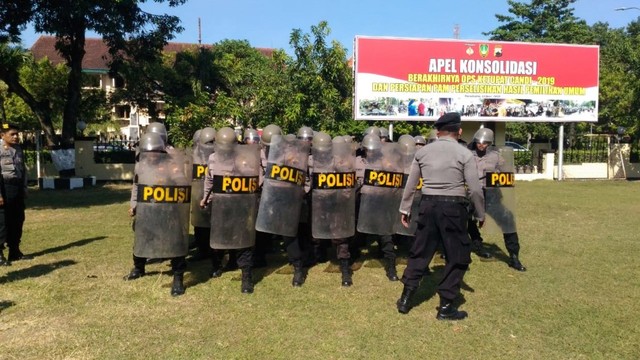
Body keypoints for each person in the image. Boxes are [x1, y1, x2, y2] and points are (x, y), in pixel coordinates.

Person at [396, 112, 485, 320]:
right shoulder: (465, 154)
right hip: (454, 208)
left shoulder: (423, 152)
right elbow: (474, 189)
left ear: (438, 131)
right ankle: (446, 307)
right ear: (459, 131)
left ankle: (405, 299)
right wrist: (480, 213)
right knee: (458, 255)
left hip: (427, 206)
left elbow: (411, 184)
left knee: (420, 252)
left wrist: (405, 209)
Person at [126, 132, 190, 296]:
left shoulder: (171, 164)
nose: (151, 155)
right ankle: (138, 268)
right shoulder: (141, 165)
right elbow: (136, 186)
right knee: (141, 237)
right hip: (147, 209)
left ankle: (177, 279)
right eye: (148, 152)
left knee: (175, 242)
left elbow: (182, 184)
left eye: (154, 151)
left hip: (168, 210)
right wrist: (133, 205)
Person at [201, 127, 260, 293]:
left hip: (240, 204)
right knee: (219, 237)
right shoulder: (212, 158)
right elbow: (209, 181)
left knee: (243, 241)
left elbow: (255, 177)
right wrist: (206, 198)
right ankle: (217, 265)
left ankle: (246, 277)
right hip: (220, 205)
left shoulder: (244, 157)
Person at [467, 128, 526, 271]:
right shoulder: (467, 155)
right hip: (471, 194)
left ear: (490, 143)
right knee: (463, 220)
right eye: (479, 142)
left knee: (507, 219)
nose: (481, 145)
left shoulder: (496, 156)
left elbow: (505, 171)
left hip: (491, 194)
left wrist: (502, 177)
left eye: (485, 143)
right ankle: (473, 246)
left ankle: (513, 256)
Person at [0, 123, 31, 264]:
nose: (15, 136)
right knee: (2, 221)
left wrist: (24, 187)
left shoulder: (18, 149)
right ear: (2, 135)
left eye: (16, 134)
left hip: (16, 187)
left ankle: (15, 251)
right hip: (3, 187)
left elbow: (23, 170)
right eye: (12, 134)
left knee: (18, 219)